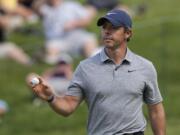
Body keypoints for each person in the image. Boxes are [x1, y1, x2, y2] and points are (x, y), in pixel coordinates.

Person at [27, 9, 166, 135]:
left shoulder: (145, 67)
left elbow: (155, 110)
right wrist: (51, 98)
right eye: (104, 28)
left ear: (128, 33)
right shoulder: (85, 67)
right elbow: (68, 107)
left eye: (113, 28)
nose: (106, 31)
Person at [34, 0, 98, 64]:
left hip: (75, 35)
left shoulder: (71, 5)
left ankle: (93, 61)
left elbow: (86, 21)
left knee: (88, 40)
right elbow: (35, 8)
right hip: (56, 40)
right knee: (51, 49)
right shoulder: (44, 8)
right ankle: (59, 61)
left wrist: (75, 24)